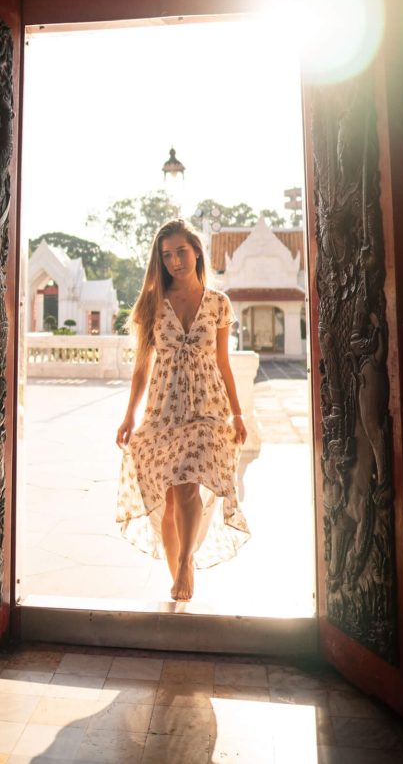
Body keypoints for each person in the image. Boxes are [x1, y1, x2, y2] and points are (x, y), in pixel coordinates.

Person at [116, 218, 250, 601]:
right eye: (167, 255)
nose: (175, 261)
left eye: (181, 252)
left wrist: (237, 413)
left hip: (207, 407)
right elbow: (141, 367)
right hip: (163, 409)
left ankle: (186, 564)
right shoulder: (151, 304)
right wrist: (129, 415)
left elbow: (223, 363)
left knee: (188, 482)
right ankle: (176, 571)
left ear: (197, 251)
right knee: (171, 495)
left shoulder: (218, 303)